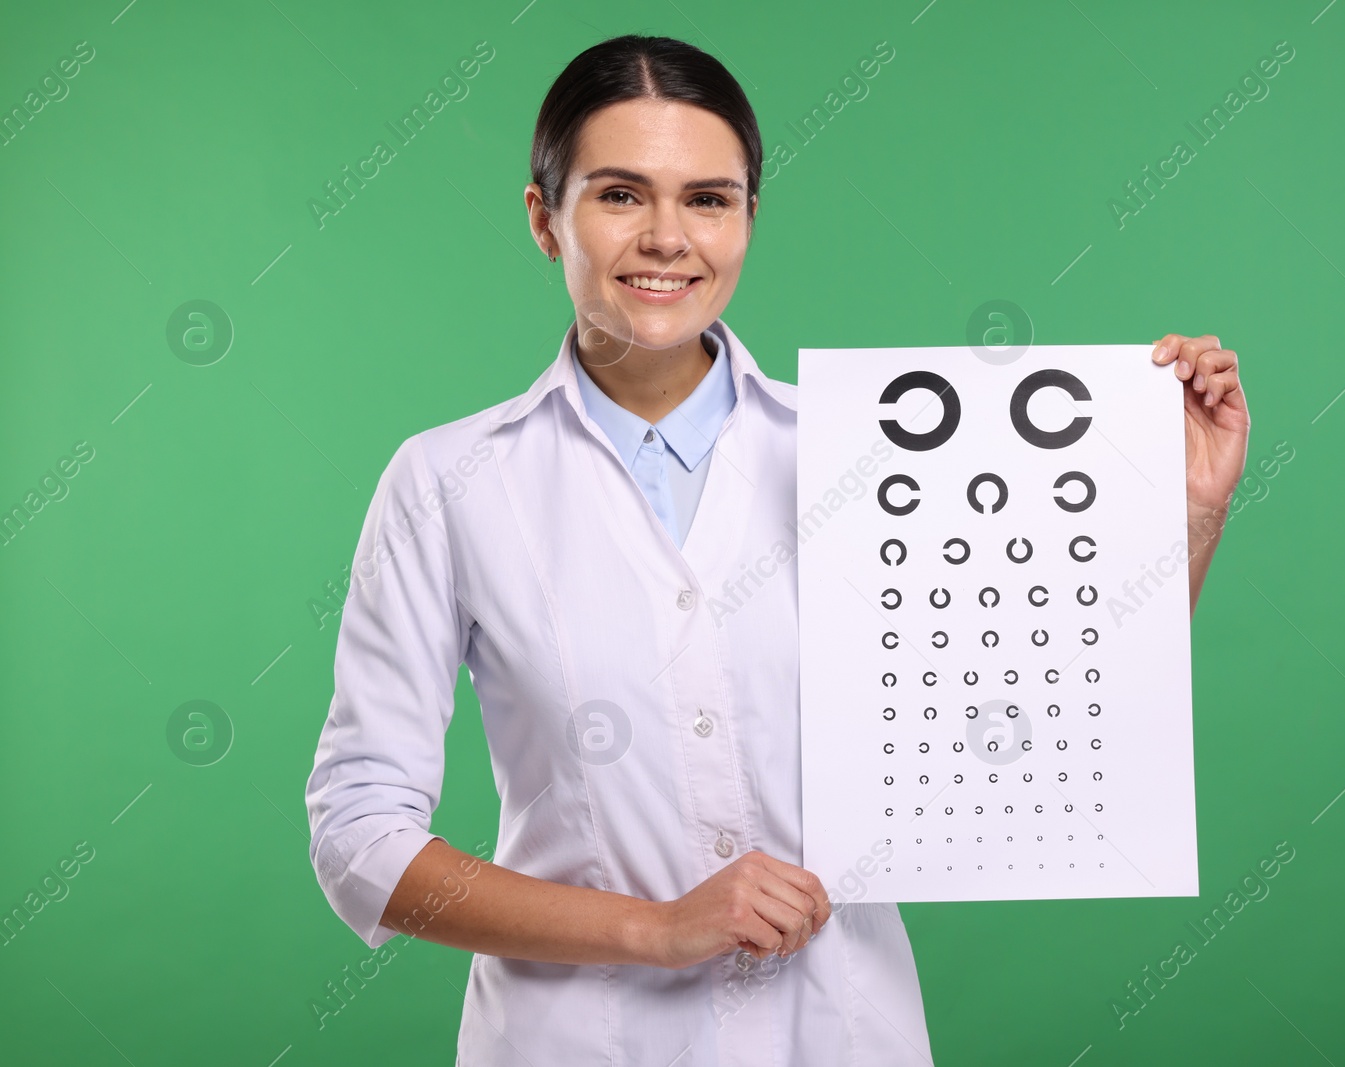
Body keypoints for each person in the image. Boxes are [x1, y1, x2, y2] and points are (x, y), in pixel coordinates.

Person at [304, 33, 1250, 1067]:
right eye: (621, 195)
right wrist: (653, 928)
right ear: (545, 218)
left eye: (708, 199)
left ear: (749, 216)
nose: (668, 237)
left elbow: (1034, 716)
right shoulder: (448, 482)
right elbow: (360, 838)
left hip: (841, 1032)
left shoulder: (873, 452)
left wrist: (1189, 513)